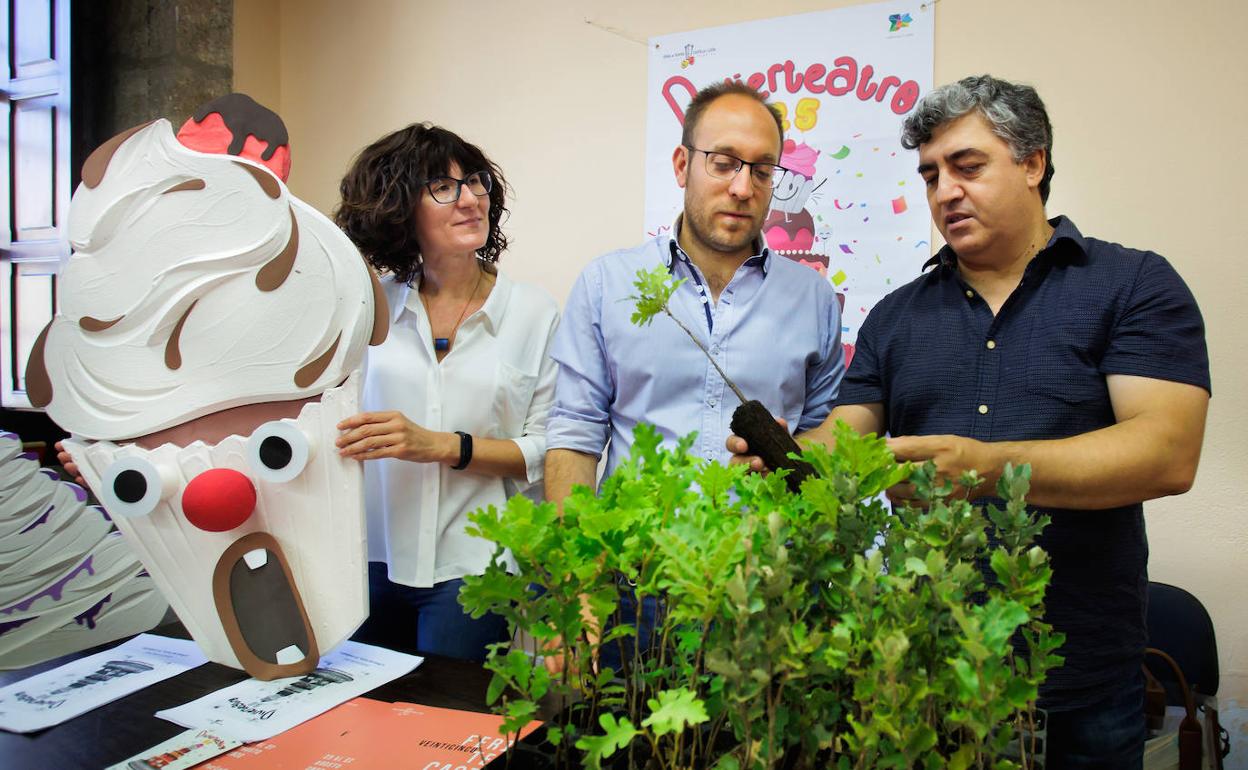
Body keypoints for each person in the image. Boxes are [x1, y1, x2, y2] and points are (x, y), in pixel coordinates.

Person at [729, 74, 1210, 768]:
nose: (945, 192)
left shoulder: (1131, 285)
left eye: (967, 166)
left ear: (1033, 162)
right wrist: (785, 454)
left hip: (1083, 682)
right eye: (930, 175)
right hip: (929, 673)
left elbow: (1166, 453)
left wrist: (988, 470)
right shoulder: (897, 315)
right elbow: (844, 437)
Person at [545, 81, 846, 670]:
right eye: (724, 162)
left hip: (764, 590)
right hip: (633, 587)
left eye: (762, 170)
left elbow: (826, 431)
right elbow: (575, 438)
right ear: (683, 164)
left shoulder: (812, 298)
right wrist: (574, 584)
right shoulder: (608, 285)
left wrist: (796, 453)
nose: (742, 188)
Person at [333, 124, 559, 662]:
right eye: (443, 187)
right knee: (359, 706)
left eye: (475, 182)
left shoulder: (533, 312)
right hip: (370, 556)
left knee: (451, 711)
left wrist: (441, 445)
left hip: (476, 566)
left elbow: (548, 449)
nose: (470, 199)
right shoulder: (367, 307)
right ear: (398, 208)